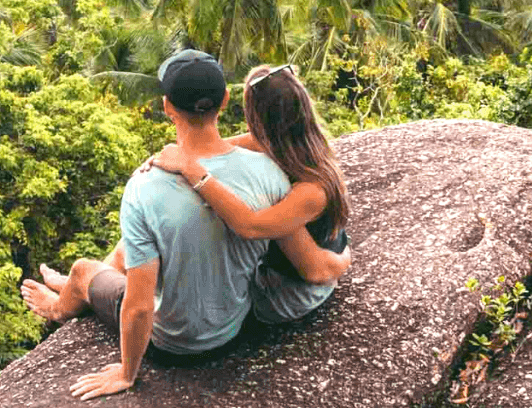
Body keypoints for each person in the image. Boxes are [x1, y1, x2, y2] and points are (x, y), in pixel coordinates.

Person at [19, 50, 349, 401]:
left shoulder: (143, 190)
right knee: (130, 246)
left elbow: (141, 305)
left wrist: (127, 373)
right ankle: (83, 285)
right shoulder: (273, 173)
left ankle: (61, 305)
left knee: (84, 269)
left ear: (167, 107)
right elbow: (242, 146)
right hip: (234, 324)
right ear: (223, 101)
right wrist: (194, 155)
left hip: (178, 341)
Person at [145, 63, 352, 324]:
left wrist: (345, 259)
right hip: (293, 263)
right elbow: (220, 147)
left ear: (256, 118)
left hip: (293, 292)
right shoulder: (289, 142)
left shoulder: (311, 189)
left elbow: (254, 230)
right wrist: (176, 155)